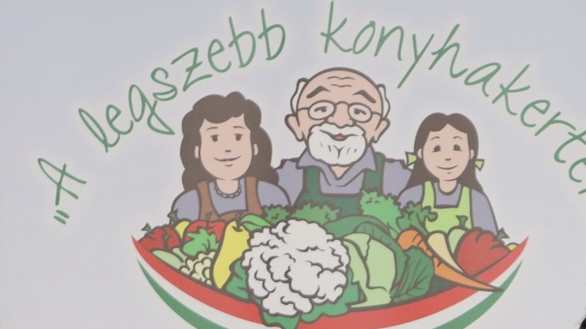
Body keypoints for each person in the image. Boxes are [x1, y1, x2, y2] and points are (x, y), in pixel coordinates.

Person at [270, 67, 411, 215]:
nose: (340, 121)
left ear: (379, 128)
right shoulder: (285, 178)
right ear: (296, 125)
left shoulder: (397, 179)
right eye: (321, 109)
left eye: (359, 111)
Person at [167, 92, 290, 223]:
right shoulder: (188, 203)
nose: (227, 148)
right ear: (196, 150)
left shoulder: (271, 196)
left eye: (238, 137)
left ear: (255, 147)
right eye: (214, 138)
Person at [397, 112, 501, 237]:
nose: (447, 157)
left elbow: (490, 242)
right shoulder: (412, 196)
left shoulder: (477, 200)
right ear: (421, 153)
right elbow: (395, 235)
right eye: (437, 148)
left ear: (471, 153)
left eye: (456, 147)